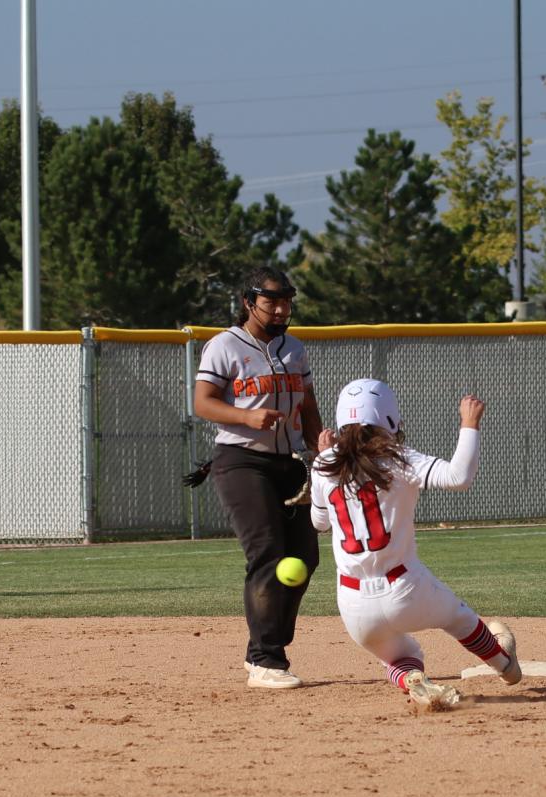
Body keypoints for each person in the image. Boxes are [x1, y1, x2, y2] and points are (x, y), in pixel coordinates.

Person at [308, 379, 522, 710]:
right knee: (461, 620)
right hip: (404, 587)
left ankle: (411, 679)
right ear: (389, 418)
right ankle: (506, 666)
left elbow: (318, 523)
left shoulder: (324, 465)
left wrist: (323, 460)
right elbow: (458, 477)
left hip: (352, 603)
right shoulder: (396, 458)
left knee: (404, 655)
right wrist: (469, 424)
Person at [192, 266, 323, 688]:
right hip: (242, 461)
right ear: (249, 302)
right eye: (272, 301)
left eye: (287, 301)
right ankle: (267, 659)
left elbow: (307, 404)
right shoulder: (224, 346)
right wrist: (246, 415)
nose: (282, 308)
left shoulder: (294, 349)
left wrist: (322, 448)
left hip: (290, 464)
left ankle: (264, 651)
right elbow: (204, 403)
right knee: (267, 553)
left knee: (305, 557)